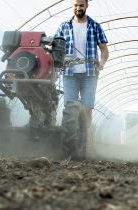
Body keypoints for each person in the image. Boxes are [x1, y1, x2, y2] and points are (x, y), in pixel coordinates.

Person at [54, 0, 109, 156]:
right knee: (70, 108)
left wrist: (102, 62)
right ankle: (72, 142)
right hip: (69, 73)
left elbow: (104, 50)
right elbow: (55, 48)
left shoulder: (95, 26)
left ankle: (87, 142)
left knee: (87, 109)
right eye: (75, 5)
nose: (78, 8)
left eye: (81, 5)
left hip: (89, 73)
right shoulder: (64, 26)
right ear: (73, 6)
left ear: (86, 6)